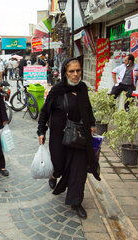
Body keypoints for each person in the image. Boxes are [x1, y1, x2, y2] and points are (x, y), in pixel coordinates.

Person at [37, 58, 101, 219]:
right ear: (65, 73)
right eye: (71, 71)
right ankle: (54, 175)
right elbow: (45, 112)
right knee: (59, 164)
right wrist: (41, 131)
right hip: (60, 136)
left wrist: (92, 123)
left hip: (79, 137)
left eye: (78, 71)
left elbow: (87, 108)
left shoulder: (82, 88)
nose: (75, 74)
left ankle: (76, 201)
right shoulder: (57, 90)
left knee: (78, 170)